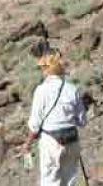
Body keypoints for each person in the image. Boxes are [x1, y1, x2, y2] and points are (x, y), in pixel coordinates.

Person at [26, 47, 88, 186]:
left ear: (47, 69)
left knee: (50, 181)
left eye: (43, 68)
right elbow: (82, 121)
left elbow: (35, 124)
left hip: (51, 142)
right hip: (72, 141)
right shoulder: (72, 89)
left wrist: (27, 144)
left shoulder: (41, 90)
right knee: (69, 181)